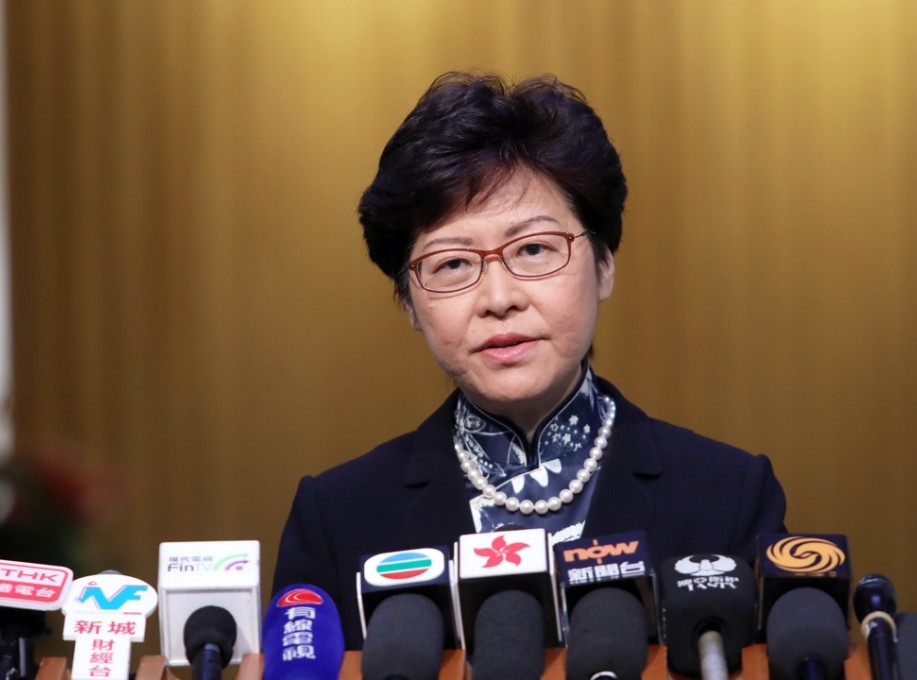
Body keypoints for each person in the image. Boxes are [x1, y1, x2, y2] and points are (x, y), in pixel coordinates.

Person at [272, 71, 786, 649]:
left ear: (604, 264)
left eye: (534, 249)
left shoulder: (727, 496)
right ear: (410, 303)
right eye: (452, 264)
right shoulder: (339, 517)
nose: (499, 299)